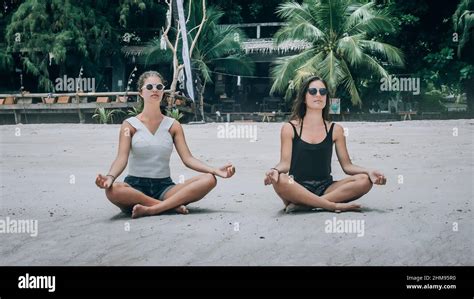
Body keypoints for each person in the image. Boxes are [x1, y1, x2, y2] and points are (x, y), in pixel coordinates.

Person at [95, 71, 235, 218]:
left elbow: (188, 159)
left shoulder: (173, 125)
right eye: (149, 86)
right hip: (135, 188)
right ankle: (168, 206)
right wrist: (110, 177)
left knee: (209, 179)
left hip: (165, 188)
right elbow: (121, 158)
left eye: (159, 86)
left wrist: (215, 170)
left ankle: (152, 209)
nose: (154, 90)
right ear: (141, 93)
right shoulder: (129, 125)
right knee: (112, 190)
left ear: (163, 92)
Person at [264, 76, 386, 213]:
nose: (318, 95)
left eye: (323, 92)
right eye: (313, 91)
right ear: (304, 97)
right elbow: (285, 164)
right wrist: (273, 170)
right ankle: (330, 205)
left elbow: (347, 166)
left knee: (364, 180)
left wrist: (369, 171)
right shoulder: (290, 128)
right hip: (296, 186)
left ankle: (307, 205)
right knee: (280, 179)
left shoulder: (336, 130)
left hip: (326, 187)